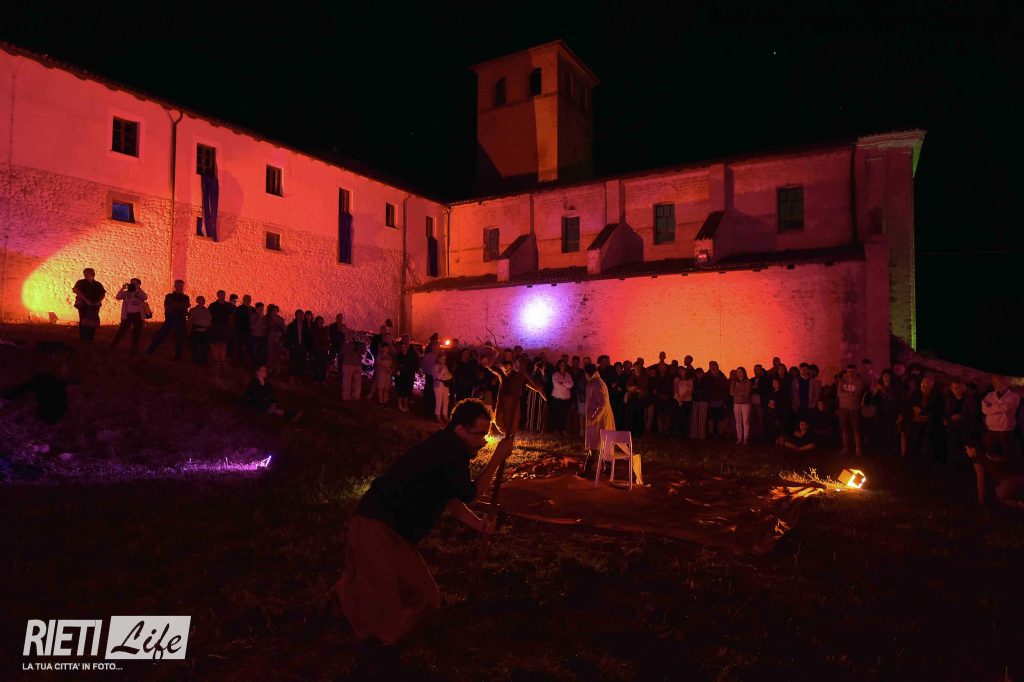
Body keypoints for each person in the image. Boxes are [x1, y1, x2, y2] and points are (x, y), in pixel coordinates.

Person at [330, 400, 514, 669]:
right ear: (460, 430)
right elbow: (470, 495)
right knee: (385, 611)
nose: (484, 442)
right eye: (480, 434)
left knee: (425, 598)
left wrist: (479, 525)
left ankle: (355, 610)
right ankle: (376, 657)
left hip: (398, 533)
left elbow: (452, 501)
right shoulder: (448, 454)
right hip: (376, 525)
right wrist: (497, 458)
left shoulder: (450, 450)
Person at [483, 357, 546, 437]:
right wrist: (497, 354)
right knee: (498, 419)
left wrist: (537, 390)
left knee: (513, 419)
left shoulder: (519, 375)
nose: (507, 371)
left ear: (512, 367)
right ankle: (506, 433)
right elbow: (489, 366)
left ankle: (509, 435)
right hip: (502, 400)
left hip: (514, 401)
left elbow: (528, 383)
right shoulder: (501, 374)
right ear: (502, 368)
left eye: (509, 368)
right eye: (505, 369)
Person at [581, 363, 616, 477]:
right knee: (602, 443)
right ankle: (607, 469)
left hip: (599, 420)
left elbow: (603, 403)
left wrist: (594, 417)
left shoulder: (596, 383)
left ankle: (588, 471)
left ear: (587, 373)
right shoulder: (597, 382)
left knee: (595, 444)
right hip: (600, 419)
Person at [967, 443, 1024, 509]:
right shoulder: (990, 455)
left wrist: (981, 499)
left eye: (967, 449)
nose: (966, 451)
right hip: (1020, 477)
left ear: (973, 449)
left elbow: (981, 479)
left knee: (997, 498)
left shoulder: (978, 459)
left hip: (1008, 482)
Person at [146, 279, 190, 359]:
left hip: (180, 319)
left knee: (179, 338)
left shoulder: (185, 297)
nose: (179, 287)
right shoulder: (170, 296)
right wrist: (180, 306)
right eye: (178, 285)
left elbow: (185, 305)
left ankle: (177, 356)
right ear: (175, 286)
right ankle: (150, 351)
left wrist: (175, 305)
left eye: (181, 286)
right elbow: (170, 305)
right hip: (171, 318)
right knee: (160, 335)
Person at [981, 375, 1021, 459]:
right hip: (991, 428)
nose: (995, 384)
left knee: (1008, 452)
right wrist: (1000, 406)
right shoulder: (989, 395)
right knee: (992, 452)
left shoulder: (1014, 396)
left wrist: (991, 406)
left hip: (1005, 428)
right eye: (994, 382)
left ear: (1005, 382)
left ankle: (1010, 466)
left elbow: (1007, 408)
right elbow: (984, 410)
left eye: (998, 381)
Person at [109, 278, 148, 353]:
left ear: (139, 284)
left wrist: (138, 289)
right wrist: (122, 288)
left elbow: (145, 297)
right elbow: (118, 297)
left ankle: (134, 349)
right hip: (128, 315)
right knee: (121, 331)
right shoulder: (126, 293)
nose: (133, 285)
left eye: (135, 283)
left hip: (138, 315)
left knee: (136, 333)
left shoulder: (139, 293)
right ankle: (112, 345)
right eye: (132, 283)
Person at [836, 364, 865, 456]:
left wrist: (845, 394)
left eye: (852, 371)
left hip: (854, 408)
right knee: (844, 429)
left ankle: (858, 449)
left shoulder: (859, 382)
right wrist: (849, 394)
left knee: (856, 429)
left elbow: (856, 395)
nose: (850, 373)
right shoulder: (842, 381)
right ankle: (845, 448)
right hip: (843, 408)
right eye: (848, 371)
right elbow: (839, 393)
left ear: (856, 371)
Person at [71, 268, 106, 342]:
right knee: (83, 320)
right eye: (84, 273)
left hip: (94, 305)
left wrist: (96, 303)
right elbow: (76, 291)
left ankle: (90, 337)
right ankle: (83, 337)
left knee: (92, 320)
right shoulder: (80, 282)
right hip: (83, 304)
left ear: (92, 274)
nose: (85, 274)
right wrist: (87, 302)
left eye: (87, 273)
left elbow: (102, 294)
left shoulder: (98, 284)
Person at [208, 290, 233, 370]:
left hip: (225, 327)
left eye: (223, 294)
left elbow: (231, 316)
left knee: (223, 344)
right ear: (218, 295)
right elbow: (209, 317)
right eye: (221, 294)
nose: (222, 296)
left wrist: (230, 327)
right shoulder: (213, 305)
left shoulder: (228, 305)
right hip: (215, 327)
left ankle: (222, 360)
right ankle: (217, 361)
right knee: (216, 344)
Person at [550, 359, 574, 435]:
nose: (562, 366)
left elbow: (571, 384)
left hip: (566, 398)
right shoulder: (555, 375)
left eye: (563, 365)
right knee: (556, 414)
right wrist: (566, 385)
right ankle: (556, 429)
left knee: (564, 414)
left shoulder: (568, 375)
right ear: (558, 366)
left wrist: (562, 383)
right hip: (557, 398)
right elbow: (556, 385)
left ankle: (562, 429)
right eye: (560, 365)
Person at [394, 341, 419, 413]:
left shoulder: (410, 355)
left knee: (406, 391)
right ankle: (399, 405)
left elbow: (413, 364)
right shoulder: (399, 355)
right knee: (401, 391)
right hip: (401, 376)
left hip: (408, 375)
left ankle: (405, 405)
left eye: (405, 347)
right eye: (402, 347)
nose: (403, 348)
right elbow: (398, 364)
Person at [730, 366, 752, 445]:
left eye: (740, 372)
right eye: (737, 372)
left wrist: (738, 393)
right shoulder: (734, 382)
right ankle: (739, 438)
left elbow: (748, 392)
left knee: (746, 421)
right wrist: (741, 394)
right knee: (738, 421)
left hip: (745, 403)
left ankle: (745, 439)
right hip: (736, 403)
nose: (738, 373)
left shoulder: (748, 382)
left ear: (744, 372)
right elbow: (731, 392)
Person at [285, 309, 310, 380]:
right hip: (294, 346)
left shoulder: (305, 325)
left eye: (302, 315)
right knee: (293, 361)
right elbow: (288, 336)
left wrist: (307, 346)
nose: (301, 316)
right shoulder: (291, 325)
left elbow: (307, 336)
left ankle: (299, 376)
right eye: (299, 314)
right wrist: (289, 345)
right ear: (296, 315)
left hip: (302, 346)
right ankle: (292, 376)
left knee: (301, 361)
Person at [188, 296, 211, 364]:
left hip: (206, 331)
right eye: (201, 300)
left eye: (203, 300)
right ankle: (195, 361)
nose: (202, 301)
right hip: (196, 331)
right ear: (197, 301)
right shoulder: (193, 310)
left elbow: (209, 320)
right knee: (195, 347)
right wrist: (189, 330)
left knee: (205, 347)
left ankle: (204, 361)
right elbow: (189, 321)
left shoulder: (207, 311)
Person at [265, 304, 286, 376]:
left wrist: (280, 334)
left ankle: (276, 370)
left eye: (275, 310)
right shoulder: (267, 319)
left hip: (278, 338)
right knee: (270, 354)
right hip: (270, 338)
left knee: (277, 354)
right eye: (273, 310)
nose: (274, 312)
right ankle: (270, 369)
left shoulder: (280, 319)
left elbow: (284, 329)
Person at [433, 351, 453, 422]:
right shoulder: (435, 367)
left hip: (445, 385)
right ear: (438, 359)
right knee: (439, 400)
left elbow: (449, 376)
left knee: (446, 400)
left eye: (444, 359)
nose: (443, 360)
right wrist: (443, 373)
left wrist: (444, 376)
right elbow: (438, 377)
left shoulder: (445, 367)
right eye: (442, 359)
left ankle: (445, 415)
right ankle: (438, 415)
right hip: (438, 385)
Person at [374, 341, 395, 406]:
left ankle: (385, 402)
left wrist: (390, 369)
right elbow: (378, 363)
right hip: (382, 373)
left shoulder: (389, 356)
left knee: (386, 388)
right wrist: (386, 366)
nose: (386, 349)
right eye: (385, 347)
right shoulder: (379, 356)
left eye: (387, 348)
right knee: (381, 387)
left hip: (388, 373)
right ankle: (381, 401)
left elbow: (391, 364)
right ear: (382, 348)